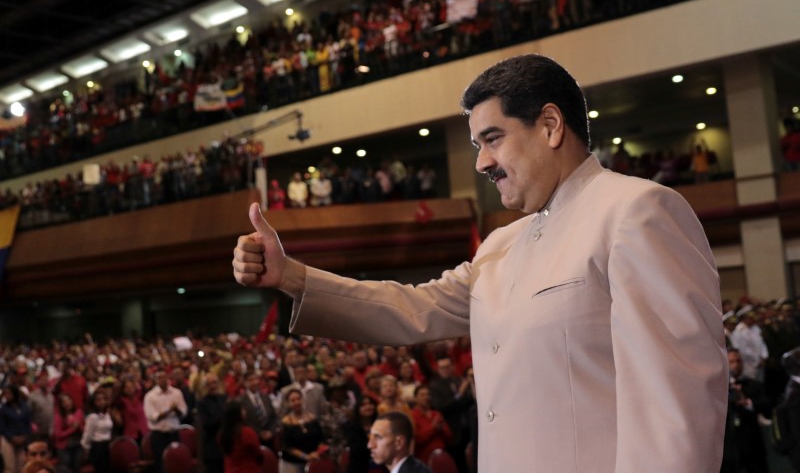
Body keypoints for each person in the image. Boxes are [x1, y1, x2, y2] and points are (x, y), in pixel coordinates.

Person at [233, 53, 727, 471]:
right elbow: (410, 308)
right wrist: (291, 276)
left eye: (493, 139)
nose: (481, 163)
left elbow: (678, 409)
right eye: (477, 145)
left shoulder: (635, 211)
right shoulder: (498, 244)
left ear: (551, 126)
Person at [143, 369, 188, 473]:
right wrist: (169, 410)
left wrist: (176, 409)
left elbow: (184, 412)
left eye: (165, 377)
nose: (163, 380)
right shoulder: (150, 396)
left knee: (177, 462)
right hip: (159, 435)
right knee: (161, 464)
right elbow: (152, 417)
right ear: (156, 380)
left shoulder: (176, 393)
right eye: (160, 378)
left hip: (174, 433)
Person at [279, 389, 325, 473]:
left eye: (298, 399)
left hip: (314, 460)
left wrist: (317, 453)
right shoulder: (286, 422)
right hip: (293, 463)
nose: (296, 402)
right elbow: (287, 446)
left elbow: (321, 438)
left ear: (303, 400)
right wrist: (306, 456)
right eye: (293, 400)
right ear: (288, 403)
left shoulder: (312, 418)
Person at [218, 401, 262, 473]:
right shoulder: (247, 433)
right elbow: (257, 452)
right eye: (243, 409)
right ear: (237, 414)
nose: (245, 412)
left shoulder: (222, 434)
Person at [1, 385, 32, 473]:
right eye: (5, 394)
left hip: (22, 438)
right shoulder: (3, 409)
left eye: (9, 393)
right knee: (10, 467)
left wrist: (24, 436)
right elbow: (2, 427)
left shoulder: (24, 406)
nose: (7, 396)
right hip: (8, 439)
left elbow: (28, 423)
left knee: (21, 465)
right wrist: (12, 438)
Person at [80, 390, 113, 473]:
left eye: (103, 399)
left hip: (107, 445)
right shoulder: (92, 417)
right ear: (94, 402)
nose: (101, 402)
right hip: (98, 448)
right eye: (98, 400)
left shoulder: (107, 415)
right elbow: (87, 435)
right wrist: (86, 450)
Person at [53, 394, 83, 473]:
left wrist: (79, 426)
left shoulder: (78, 412)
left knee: (77, 468)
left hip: (78, 445)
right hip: (64, 447)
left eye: (69, 400)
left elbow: (83, 428)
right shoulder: (58, 417)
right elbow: (58, 434)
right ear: (61, 405)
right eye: (64, 402)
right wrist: (73, 428)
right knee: (66, 469)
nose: (67, 403)